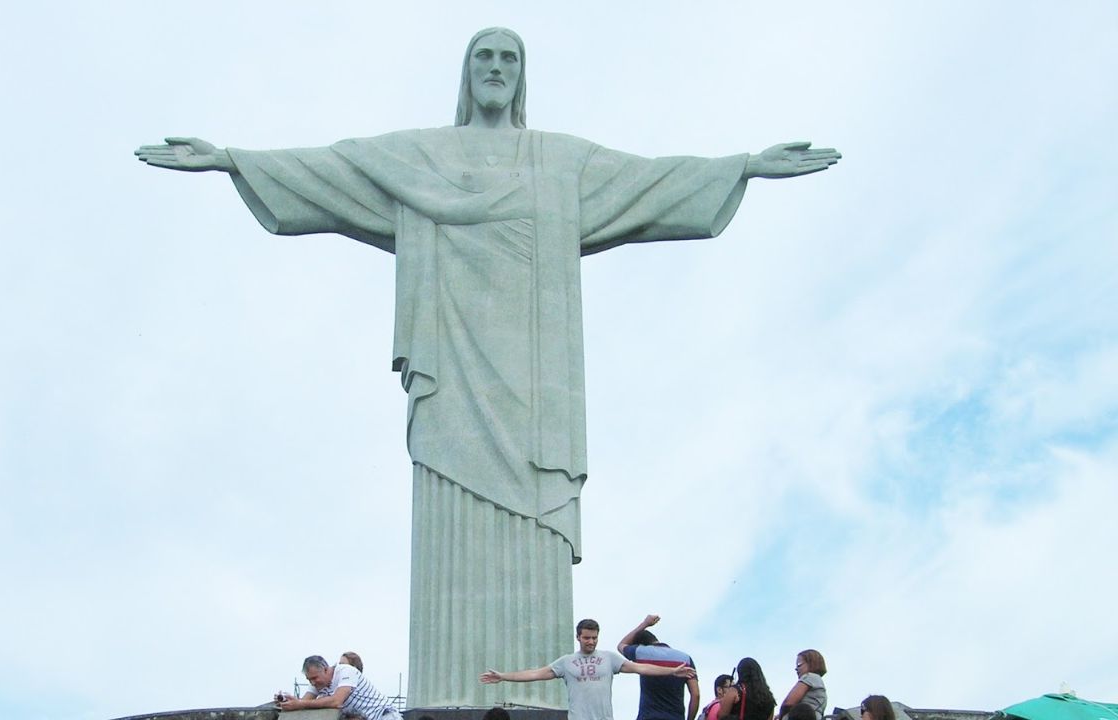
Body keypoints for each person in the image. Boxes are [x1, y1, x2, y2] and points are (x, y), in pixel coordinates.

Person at [135, 27, 839, 709]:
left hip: (536, 390)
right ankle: (448, 692)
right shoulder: (422, 156)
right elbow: (334, 167)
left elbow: (650, 182)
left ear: (522, 74)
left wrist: (741, 165)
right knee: (446, 503)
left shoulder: (560, 162)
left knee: (533, 513)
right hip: (451, 377)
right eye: (484, 57)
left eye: (509, 57)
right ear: (467, 74)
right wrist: (231, 158)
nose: (496, 67)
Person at [479, 618, 696, 720]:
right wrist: (503, 676)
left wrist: (671, 672)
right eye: (587, 638)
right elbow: (536, 673)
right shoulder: (567, 661)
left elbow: (641, 668)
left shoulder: (609, 658)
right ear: (578, 637)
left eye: (594, 638)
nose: (591, 642)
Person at [617, 614, 700, 720]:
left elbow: (621, 645)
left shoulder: (641, 652)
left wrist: (645, 624)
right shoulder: (685, 658)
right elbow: (695, 695)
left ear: (640, 644)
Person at [277, 655, 401, 720]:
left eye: (315, 678)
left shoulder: (346, 671)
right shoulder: (318, 683)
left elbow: (337, 700)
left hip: (383, 716)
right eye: (309, 679)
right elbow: (304, 702)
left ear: (325, 669)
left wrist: (300, 704)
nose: (313, 683)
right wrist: (288, 701)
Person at [778, 650, 827, 720]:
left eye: (799, 664)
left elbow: (788, 703)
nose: (796, 669)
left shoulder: (810, 677)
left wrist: (781, 717)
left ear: (811, 663)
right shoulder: (819, 682)